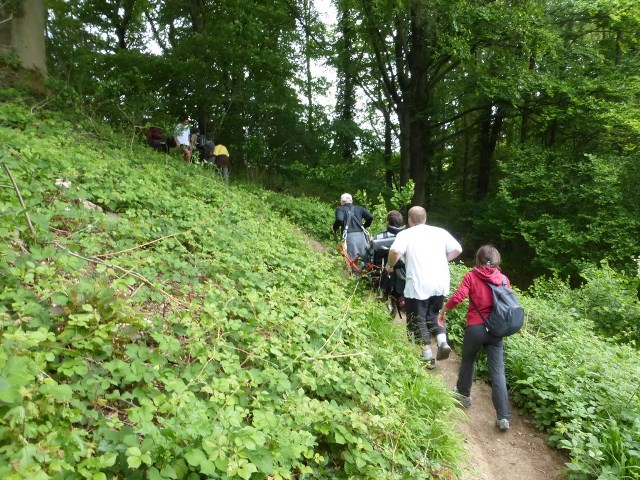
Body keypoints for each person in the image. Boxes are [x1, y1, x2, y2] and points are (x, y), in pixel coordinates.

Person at [437, 245, 512, 431]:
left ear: (478, 260)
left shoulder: (472, 276)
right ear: (497, 261)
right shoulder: (503, 280)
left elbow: (459, 296)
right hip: (496, 330)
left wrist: (443, 311)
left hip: (476, 327)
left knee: (469, 360)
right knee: (498, 371)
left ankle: (463, 395)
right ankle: (503, 417)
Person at [385, 206, 462, 368]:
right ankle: (442, 342)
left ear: (409, 220)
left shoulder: (406, 234)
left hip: (418, 283)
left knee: (417, 318)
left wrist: (389, 266)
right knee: (434, 313)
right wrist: (444, 260)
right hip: (440, 281)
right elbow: (457, 249)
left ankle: (427, 357)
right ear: (425, 218)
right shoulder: (440, 232)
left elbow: (395, 250)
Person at [332, 193, 373, 262]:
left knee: (352, 260)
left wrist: (334, 228)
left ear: (341, 202)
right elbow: (370, 217)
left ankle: (353, 272)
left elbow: (339, 219)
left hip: (349, 236)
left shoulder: (340, 209)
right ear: (351, 201)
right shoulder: (359, 208)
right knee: (365, 257)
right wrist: (365, 226)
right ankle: (366, 271)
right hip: (361, 235)